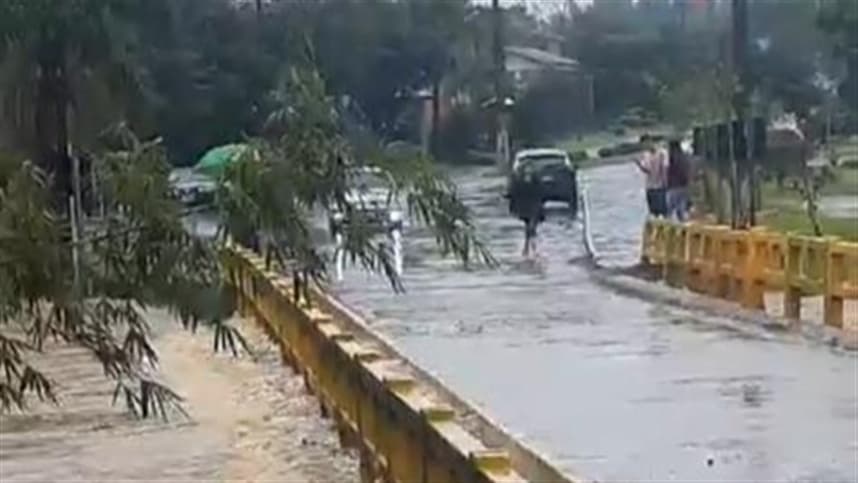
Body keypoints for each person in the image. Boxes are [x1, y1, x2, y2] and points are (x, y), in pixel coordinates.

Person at [510, 165, 545, 257]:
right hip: (525, 208)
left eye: (530, 171)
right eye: (526, 171)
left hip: (535, 206)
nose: (528, 173)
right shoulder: (519, 182)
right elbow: (514, 193)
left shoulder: (537, 182)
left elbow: (542, 192)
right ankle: (529, 247)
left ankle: (532, 248)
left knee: (531, 227)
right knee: (528, 228)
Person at [634, 138, 667, 217]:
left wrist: (665, 183)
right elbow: (647, 170)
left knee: (663, 211)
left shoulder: (662, 153)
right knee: (653, 212)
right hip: (650, 187)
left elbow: (665, 168)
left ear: (651, 141)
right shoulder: (646, 155)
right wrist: (639, 164)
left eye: (646, 143)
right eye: (644, 145)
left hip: (660, 187)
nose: (646, 146)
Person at [666, 139, 690, 221]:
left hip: (674, 186)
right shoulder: (683, 157)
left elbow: (671, 172)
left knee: (670, 210)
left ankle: (670, 223)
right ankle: (682, 222)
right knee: (681, 209)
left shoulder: (673, 158)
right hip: (683, 185)